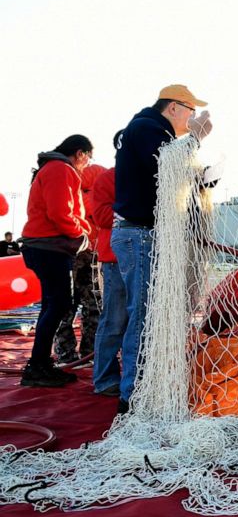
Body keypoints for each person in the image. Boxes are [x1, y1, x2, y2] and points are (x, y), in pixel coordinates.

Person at [112, 85, 213, 413]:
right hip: (140, 236)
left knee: (148, 315)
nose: (192, 118)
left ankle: (141, 388)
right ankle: (133, 397)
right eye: (190, 111)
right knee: (143, 316)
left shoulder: (151, 131)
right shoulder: (146, 128)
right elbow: (167, 166)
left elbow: (170, 174)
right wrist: (195, 138)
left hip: (145, 235)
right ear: (173, 108)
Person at [18, 135, 93, 387]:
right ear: (81, 153)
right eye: (88, 158)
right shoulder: (61, 170)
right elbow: (61, 213)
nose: (87, 164)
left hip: (42, 246)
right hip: (50, 247)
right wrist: (82, 234)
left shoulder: (51, 168)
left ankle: (39, 363)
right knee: (59, 303)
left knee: (52, 304)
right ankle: (37, 365)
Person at [53, 163, 106, 364]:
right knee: (87, 306)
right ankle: (83, 353)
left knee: (76, 306)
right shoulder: (87, 195)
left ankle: (74, 353)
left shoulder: (77, 192)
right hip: (82, 252)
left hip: (82, 252)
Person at [91, 159, 128, 396]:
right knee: (115, 320)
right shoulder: (108, 178)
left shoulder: (153, 176)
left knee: (138, 322)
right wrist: (133, 210)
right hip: (116, 259)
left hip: (148, 258)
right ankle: (105, 378)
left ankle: (132, 375)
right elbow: (101, 216)